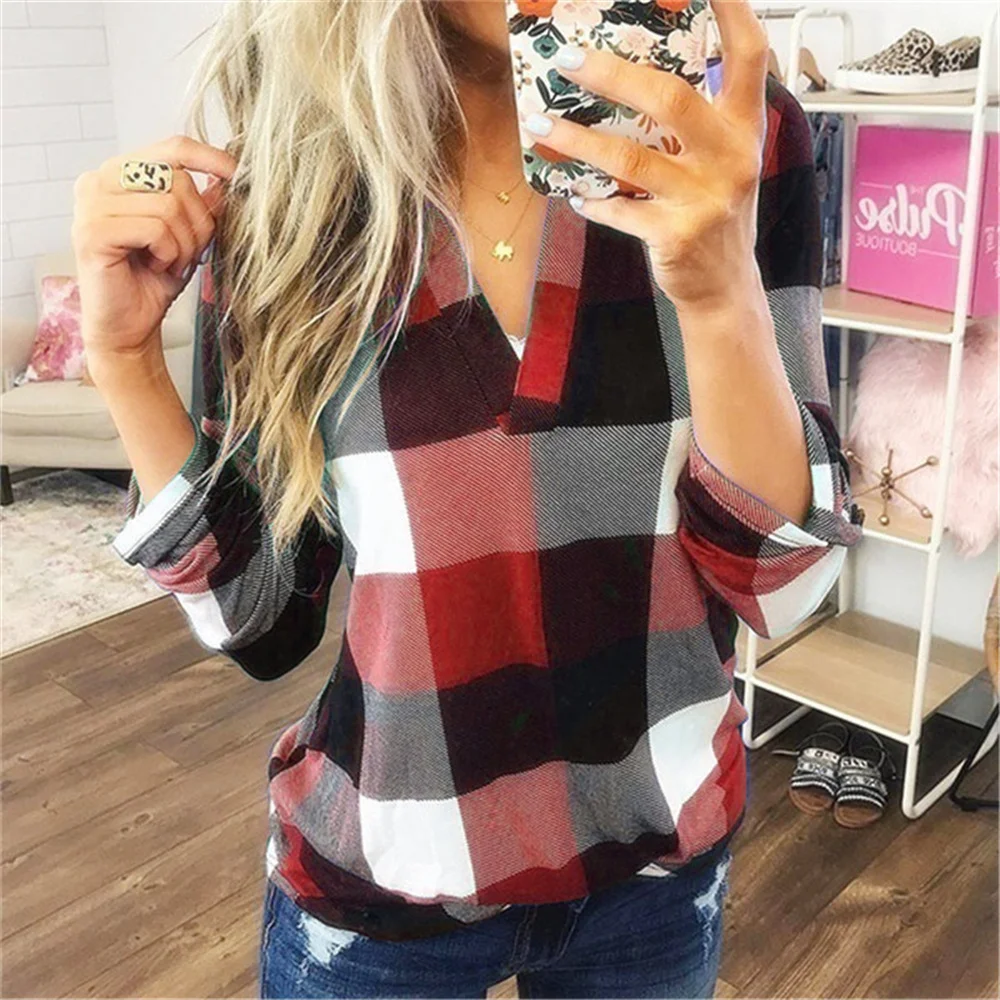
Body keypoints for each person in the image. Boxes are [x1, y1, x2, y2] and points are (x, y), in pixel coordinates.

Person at [73, 0, 864, 997]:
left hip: (655, 872)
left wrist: (716, 297)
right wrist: (127, 361)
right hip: (383, 882)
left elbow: (780, 584)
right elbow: (261, 617)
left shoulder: (733, 124)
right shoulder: (301, 178)